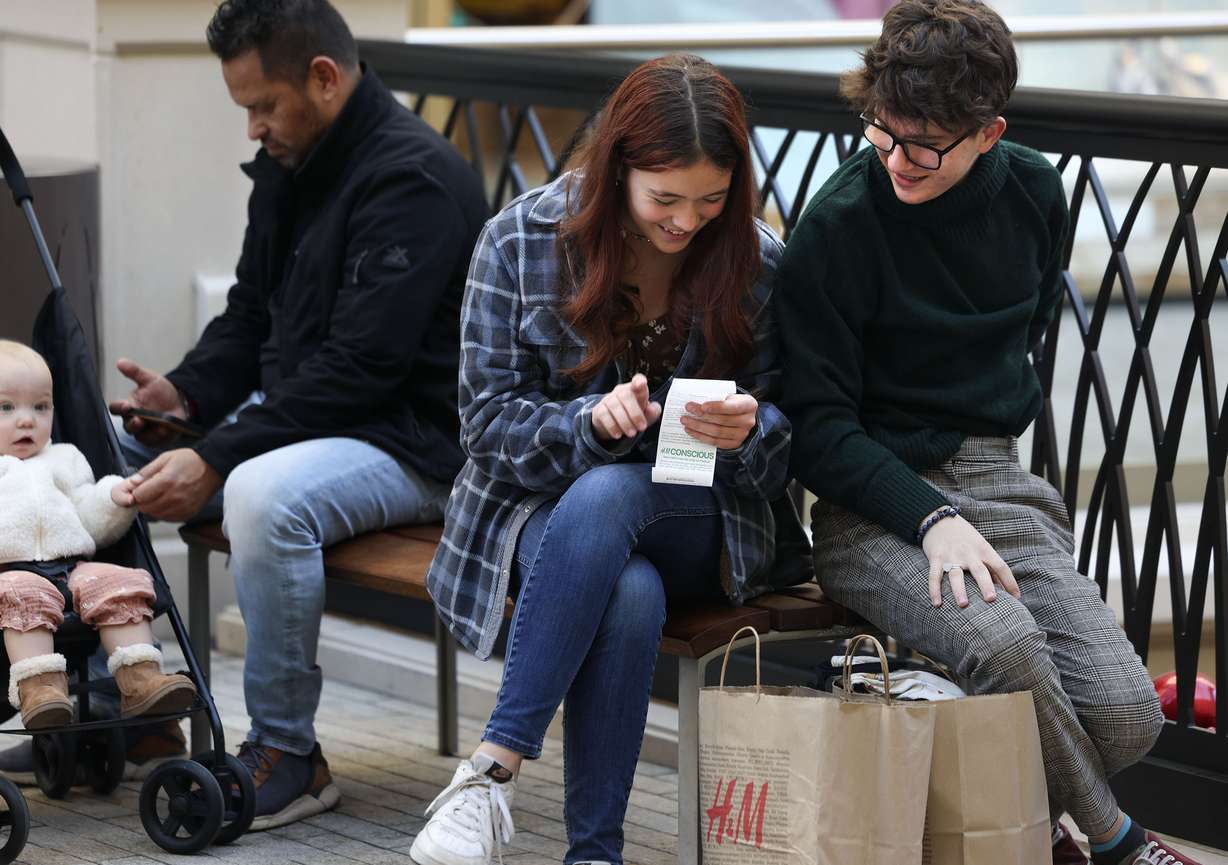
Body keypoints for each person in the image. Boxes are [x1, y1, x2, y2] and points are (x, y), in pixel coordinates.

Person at [775, 2, 1196, 865]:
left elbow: (1025, 330)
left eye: (924, 144)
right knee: (1004, 647)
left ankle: (1021, 810)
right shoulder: (839, 224)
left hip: (996, 480)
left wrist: (975, 496)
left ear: (988, 132)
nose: (897, 160)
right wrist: (928, 516)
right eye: (882, 133)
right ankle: (1119, 844)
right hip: (871, 503)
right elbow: (816, 429)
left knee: (1126, 712)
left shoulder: (1037, 192)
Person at [80, 0, 482, 830]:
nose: (254, 127)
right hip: (313, 419)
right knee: (92, 451)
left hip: (410, 440)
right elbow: (252, 317)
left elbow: (365, 368)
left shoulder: (415, 179)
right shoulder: (290, 165)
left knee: (263, 492)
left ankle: (289, 753)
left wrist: (219, 455)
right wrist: (184, 400)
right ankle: (124, 699)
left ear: (324, 79)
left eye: (262, 106)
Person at [412, 53, 810, 865]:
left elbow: (791, 433)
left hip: (704, 514)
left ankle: (490, 772)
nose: (686, 222)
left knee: (610, 502)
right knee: (626, 585)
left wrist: (752, 427)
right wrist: (588, 424)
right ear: (616, 165)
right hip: (534, 509)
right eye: (665, 199)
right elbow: (485, 425)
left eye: (710, 199)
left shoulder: (758, 261)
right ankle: (595, 853)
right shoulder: (519, 240)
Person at [0, 341, 196, 730]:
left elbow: (89, 515)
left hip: (72, 565)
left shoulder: (65, 457)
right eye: (6, 408)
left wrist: (113, 498)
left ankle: (141, 679)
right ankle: (40, 689)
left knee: (117, 582)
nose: (27, 421)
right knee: (22, 596)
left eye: (40, 407)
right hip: (10, 570)